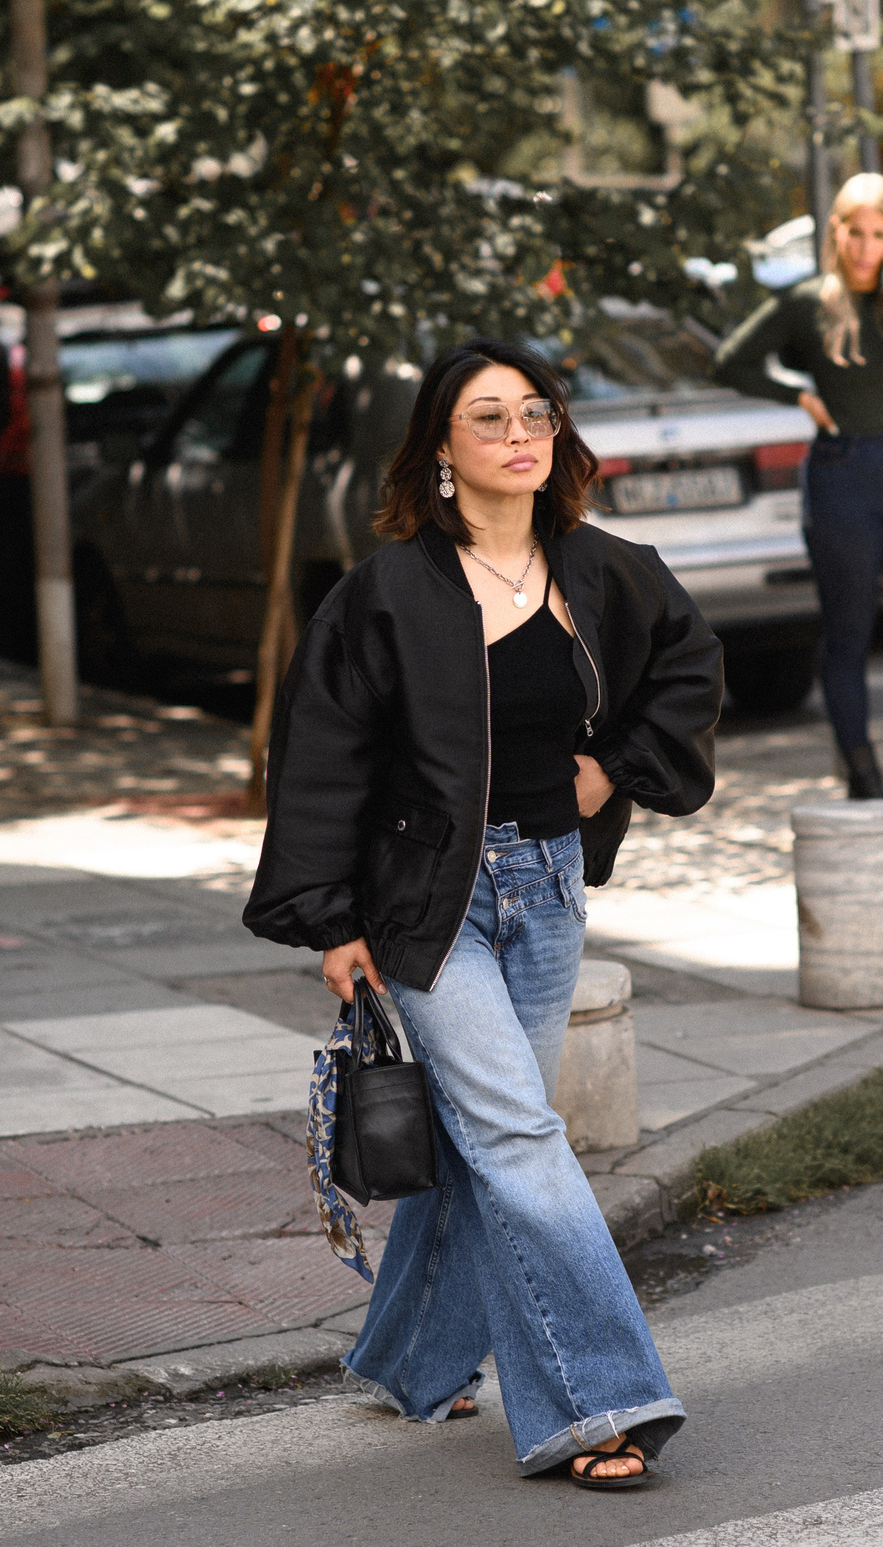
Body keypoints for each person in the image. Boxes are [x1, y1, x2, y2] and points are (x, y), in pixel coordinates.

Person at [243, 338, 723, 1488]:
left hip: (550, 889)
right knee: (517, 1134)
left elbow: (691, 669)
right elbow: (320, 756)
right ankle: (597, 1397)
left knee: (482, 1144)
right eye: (489, 417)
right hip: (427, 905)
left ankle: (411, 1356)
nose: (519, 434)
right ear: (442, 450)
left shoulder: (606, 571)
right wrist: (330, 922)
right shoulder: (390, 593)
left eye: (536, 414)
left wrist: (613, 771)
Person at [713, 172, 883, 800]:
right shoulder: (808, 302)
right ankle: (863, 775)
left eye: (879, 234)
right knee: (850, 631)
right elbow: (731, 361)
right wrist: (799, 396)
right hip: (842, 477)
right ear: (837, 231)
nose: (864, 246)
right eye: (855, 231)